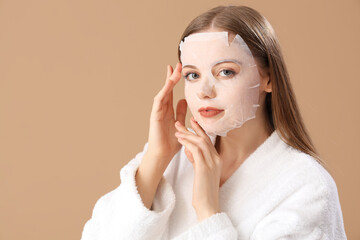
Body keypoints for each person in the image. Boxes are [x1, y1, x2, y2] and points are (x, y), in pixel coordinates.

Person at [80, 5, 347, 240]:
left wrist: (207, 210)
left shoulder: (306, 185)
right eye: (192, 75)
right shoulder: (175, 160)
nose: (204, 90)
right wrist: (155, 158)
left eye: (226, 71)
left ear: (268, 78)